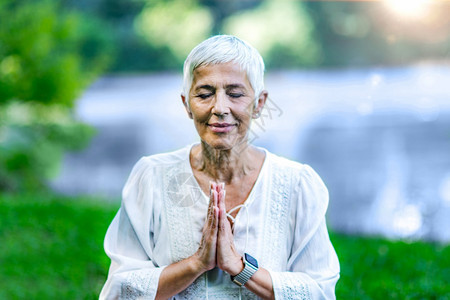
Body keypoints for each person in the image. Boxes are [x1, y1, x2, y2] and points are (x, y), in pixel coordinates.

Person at [99, 35, 340, 300]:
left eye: (235, 94)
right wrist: (197, 263)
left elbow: (320, 291)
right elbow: (120, 290)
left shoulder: (298, 184)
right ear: (187, 105)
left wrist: (239, 267)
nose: (220, 108)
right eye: (204, 94)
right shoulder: (151, 176)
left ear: (259, 103)